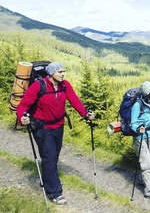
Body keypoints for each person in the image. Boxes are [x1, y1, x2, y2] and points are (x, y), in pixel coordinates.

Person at [16, 62, 94, 205]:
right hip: (42, 127)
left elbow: (74, 100)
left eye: (64, 71)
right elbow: (23, 105)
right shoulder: (39, 86)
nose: (63, 74)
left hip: (58, 126)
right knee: (49, 157)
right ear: (51, 73)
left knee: (54, 155)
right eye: (60, 72)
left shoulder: (65, 85)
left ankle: (49, 179)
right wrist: (22, 118)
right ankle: (54, 192)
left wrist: (85, 114)